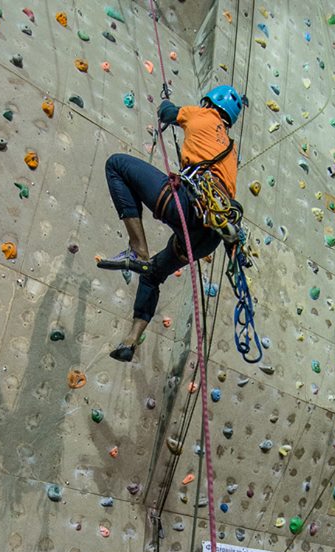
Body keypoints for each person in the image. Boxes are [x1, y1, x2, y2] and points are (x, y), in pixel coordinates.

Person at [97, 85, 245, 362]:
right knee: (153, 274)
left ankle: (137, 248)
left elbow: (167, 112)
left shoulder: (202, 115)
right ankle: (130, 341)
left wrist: (166, 101)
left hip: (187, 206)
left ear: (210, 103)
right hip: (209, 234)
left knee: (116, 165)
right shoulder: (231, 149)